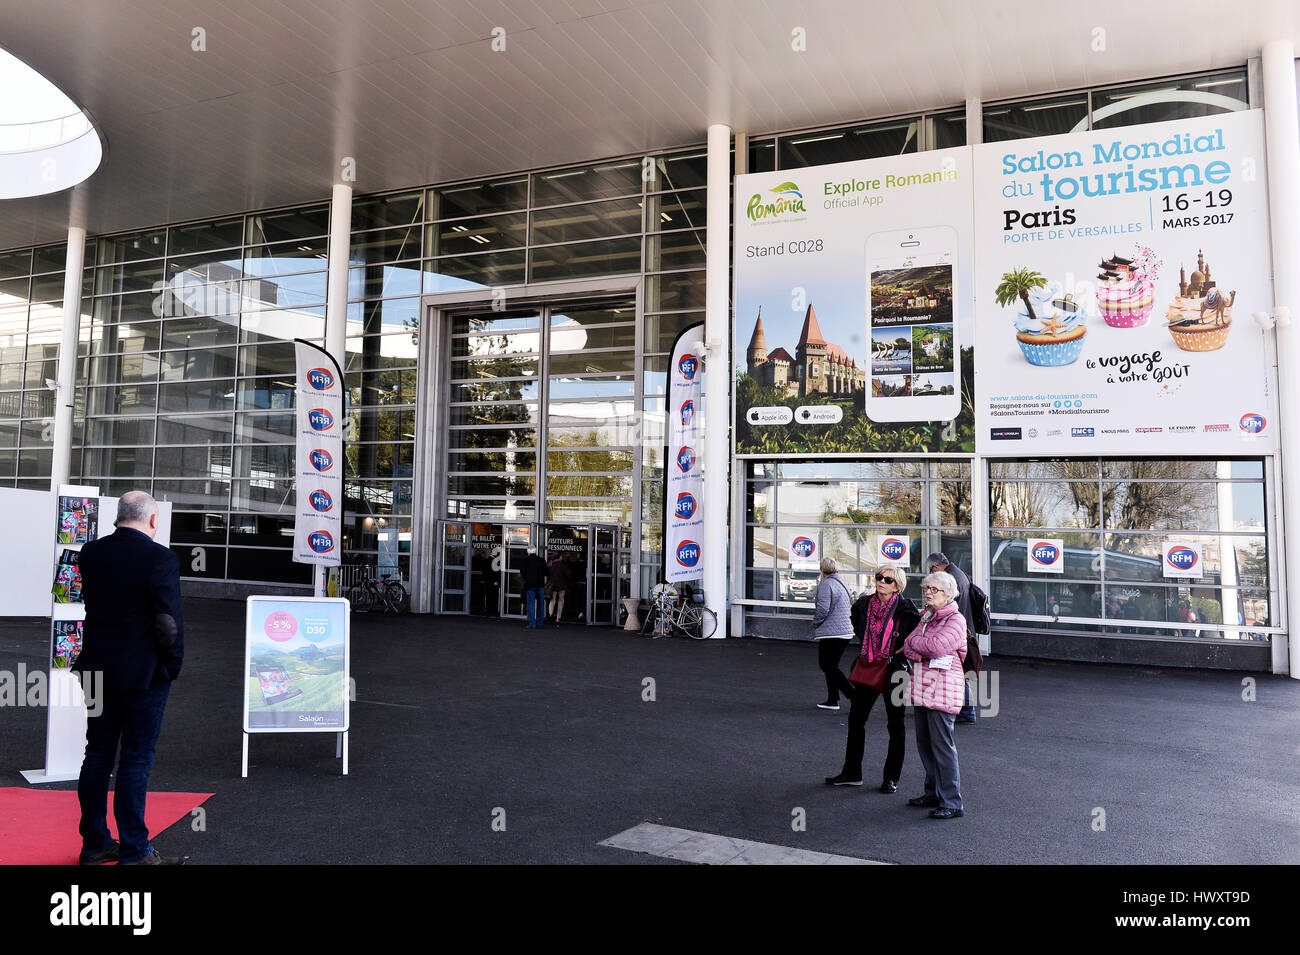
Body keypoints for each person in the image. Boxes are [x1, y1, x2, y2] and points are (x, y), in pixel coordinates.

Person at [72, 490, 185, 865]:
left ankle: (94, 844)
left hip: (95, 669)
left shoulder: (90, 553)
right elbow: (168, 623)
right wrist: (172, 666)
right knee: (135, 761)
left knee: (97, 755)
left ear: (119, 516)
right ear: (153, 520)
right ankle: (135, 851)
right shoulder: (160, 558)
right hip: (142, 674)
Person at [826, 564, 919, 791]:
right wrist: (870, 646)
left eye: (888, 580)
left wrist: (903, 646)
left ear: (898, 585)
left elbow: (915, 633)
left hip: (895, 671)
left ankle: (891, 778)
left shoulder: (906, 608)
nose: (881, 582)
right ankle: (851, 773)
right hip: (868, 666)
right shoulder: (865, 604)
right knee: (856, 720)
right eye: (879, 577)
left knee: (895, 724)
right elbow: (856, 621)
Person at [902, 571, 968, 819]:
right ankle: (933, 793)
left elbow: (936, 646)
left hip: (942, 691)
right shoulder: (927, 616)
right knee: (925, 746)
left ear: (948, 594)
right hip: (923, 687)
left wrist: (920, 647)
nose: (927, 593)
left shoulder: (956, 620)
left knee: (942, 748)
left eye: (934, 589)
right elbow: (909, 644)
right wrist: (922, 650)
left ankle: (952, 802)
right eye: (926, 588)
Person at [926, 551, 977, 724]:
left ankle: (968, 711)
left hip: (956, 631)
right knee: (958, 672)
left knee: (958, 672)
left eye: (932, 570)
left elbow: (949, 606)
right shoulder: (959, 574)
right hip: (963, 628)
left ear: (936, 566)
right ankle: (964, 709)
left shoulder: (950, 579)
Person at [811, 556, 855, 711]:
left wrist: (815, 623)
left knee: (827, 665)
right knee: (831, 666)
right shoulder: (842, 582)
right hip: (845, 631)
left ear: (822, 569)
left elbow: (823, 609)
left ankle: (853, 695)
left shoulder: (826, 584)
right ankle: (832, 700)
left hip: (832, 632)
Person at [519, 546, 549, 629]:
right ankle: (540, 623)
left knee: (530, 604)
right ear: (535, 551)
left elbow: (522, 573)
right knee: (541, 604)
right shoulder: (541, 560)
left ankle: (532, 623)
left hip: (530, 585)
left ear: (528, 551)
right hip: (540, 584)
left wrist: (528, 577)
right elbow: (547, 572)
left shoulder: (525, 561)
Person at [546, 552, 572, 626]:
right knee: (560, 601)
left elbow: (546, 573)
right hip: (562, 586)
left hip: (552, 586)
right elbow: (569, 575)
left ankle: (550, 615)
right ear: (560, 557)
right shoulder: (563, 565)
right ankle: (558, 618)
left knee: (552, 600)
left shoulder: (550, 565)